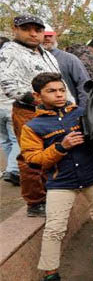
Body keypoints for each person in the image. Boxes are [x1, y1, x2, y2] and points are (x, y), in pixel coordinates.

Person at [19, 73, 93, 281]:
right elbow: (33, 159)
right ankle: (50, 273)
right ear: (37, 95)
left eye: (61, 90)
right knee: (54, 228)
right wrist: (61, 147)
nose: (59, 94)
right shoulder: (33, 126)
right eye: (51, 91)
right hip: (60, 181)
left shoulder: (82, 114)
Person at [0, 15, 73, 216]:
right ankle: (36, 202)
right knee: (31, 157)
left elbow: (60, 83)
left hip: (52, 110)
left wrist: (69, 104)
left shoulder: (45, 53)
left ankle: (50, 193)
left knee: (53, 152)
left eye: (37, 30)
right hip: (28, 111)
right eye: (27, 29)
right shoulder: (10, 52)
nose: (33, 34)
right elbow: (9, 85)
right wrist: (39, 100)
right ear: (15, 29)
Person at [42, 30, 89, 106]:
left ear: (55, 37)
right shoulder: (28, 59)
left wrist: (81, 111)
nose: (47, 38)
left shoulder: (69, 59)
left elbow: (84, 85)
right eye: (44, 36)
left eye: (50, 36)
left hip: (68, 111)